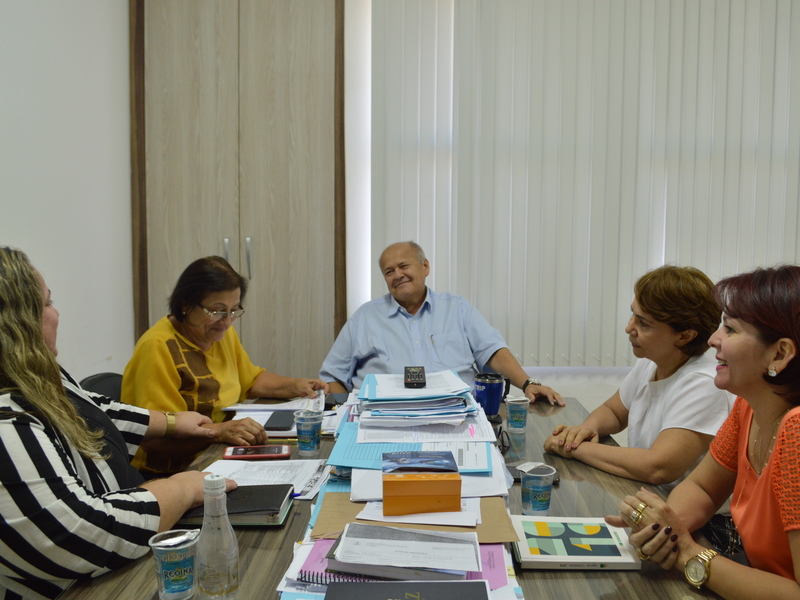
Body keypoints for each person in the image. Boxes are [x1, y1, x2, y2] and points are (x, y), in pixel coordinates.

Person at [0, 247, 236, 599]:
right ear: (17, 322)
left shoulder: (36, 377)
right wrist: (185, 488)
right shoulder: (7, 427)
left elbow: (90, 409)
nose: (57, 313)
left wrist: (171, 423)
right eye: (46, 304)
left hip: (125, 551)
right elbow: (86, 535)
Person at [609, 266, 800, 598]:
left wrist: (685, 551)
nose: (713, 339)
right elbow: (703, 488)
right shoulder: (749, 407)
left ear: (779, 354)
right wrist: (662, 530)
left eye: (730, 329)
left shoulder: (796, 431)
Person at [122, 256, 328, 476]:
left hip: (219, 452)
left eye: (233, 311)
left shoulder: (219, 333)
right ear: (185, 304)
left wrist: (295, 385)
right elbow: (157, 438)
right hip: (171, 470)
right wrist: (218, 432)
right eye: (217, 311)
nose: (227, 322)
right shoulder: (158, 347)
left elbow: (250, 379)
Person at [543, 266, 733, 490]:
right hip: (653, 502)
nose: (628, 328)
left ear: (685, 336)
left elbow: (659, 467)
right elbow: (614, 412)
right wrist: (587, 428)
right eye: (633, 314)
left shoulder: (705, 384)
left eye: (644, 324)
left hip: (699, 522)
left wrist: (572, 447)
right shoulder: (651, 361)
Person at [319, 241, 563, 404]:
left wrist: (528, 383)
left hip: (457, 418)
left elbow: (493, 351)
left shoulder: (457, 308)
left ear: (425, 267)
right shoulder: (365, 317)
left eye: (404, 266)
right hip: (383, 420)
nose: (397, 275)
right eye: (389, 271)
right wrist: (345, 417)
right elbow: (333, 377)